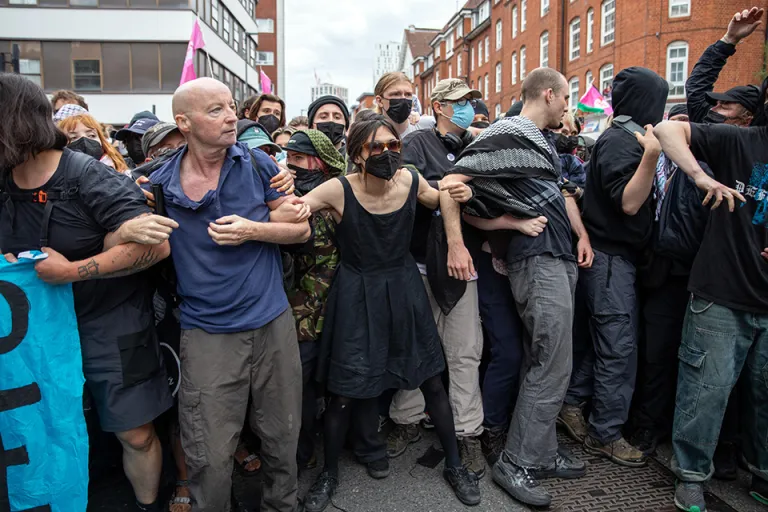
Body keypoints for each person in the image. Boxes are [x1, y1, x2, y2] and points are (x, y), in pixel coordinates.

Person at [281, 116, 481, 511]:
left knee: (432, 382)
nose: (388, 154)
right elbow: (296, 210)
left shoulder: (408, 179)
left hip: (404, 288)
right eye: (377, 147)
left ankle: (455, 465)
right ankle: (329, 474)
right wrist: (282, 190)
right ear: (357, 153)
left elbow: (440, 196)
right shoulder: (338, 189)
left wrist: (456, 210)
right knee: (343, 393)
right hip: (356, 294)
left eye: (393, 146)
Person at [0, 74, 176, 512]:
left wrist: (74, 270)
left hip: (112, 324)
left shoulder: (89, 177)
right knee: (44, 427)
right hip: (36, 336)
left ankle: (147, 505)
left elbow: (156, 246)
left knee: (134, 432)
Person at [145, 77, 309, 512]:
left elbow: (301, 228)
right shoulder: (157, 185)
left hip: (272, 322)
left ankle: (283, 506)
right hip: (207, 333)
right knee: (209, 455)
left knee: (281, 436)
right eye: (215, 109)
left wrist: (252, 230)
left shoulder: (260, 166)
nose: (231, 116)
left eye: (232, 106)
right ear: (184, 122)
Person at [439, 68, 592, 508]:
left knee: (551, 358)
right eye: (566, 97)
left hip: (555, 256)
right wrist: (468, 238)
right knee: (550, 357)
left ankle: (539, 453)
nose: (568, 106)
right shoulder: (510, 131)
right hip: (537, 260)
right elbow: (453, 187)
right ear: (549, 94)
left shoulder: (537, 139)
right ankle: (516, 463)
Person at [655, 86, 767, 512]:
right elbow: (668, 129)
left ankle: (762, 472)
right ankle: (690, 476)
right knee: (706, 391)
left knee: (764, 395)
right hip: (720, 294)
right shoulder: (741, 139)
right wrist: (700, 176)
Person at [558, 67, 669, 469]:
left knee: (600, 342)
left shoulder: (619, 136)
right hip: (609, 262)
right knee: (617, 349)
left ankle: (572, 405)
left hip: (609, 260)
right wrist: (652, 155)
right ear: (648, 101)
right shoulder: (626, 141)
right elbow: (628, 202)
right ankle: (606, 434)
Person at [387, 78, 487, 477]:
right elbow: (405, 196)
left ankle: (468, 432)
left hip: (465, 266)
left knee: (465, 350)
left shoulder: (476, 146)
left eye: (469, 101)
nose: (466, 107)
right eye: (458, 102)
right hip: (421, 263)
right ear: (438, 105)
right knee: (415, 345)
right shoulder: (415, 144)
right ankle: (406, 418)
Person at [628, 102, 709, 459]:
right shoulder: (646, 162)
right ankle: (645, 422)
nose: (679, 131)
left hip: (684, 275)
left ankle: (660, 424)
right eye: (673, 123)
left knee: (675, 354)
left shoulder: (702, 171)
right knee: (650, 351)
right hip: (647, 270)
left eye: (686, 126)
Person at [276, 129, 346, 471]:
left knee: (340, 379)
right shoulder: (284, 199)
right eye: (287, 159)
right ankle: (303, 452)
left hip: (340, 303)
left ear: (318, 162)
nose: (291, 166)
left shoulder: (342, 193)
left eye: (299, 159)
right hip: (300, 309)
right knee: (298, 385)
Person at [686, 7, 764, 125]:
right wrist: (729, 39)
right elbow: (696, 87)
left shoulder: (757, 141)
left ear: (747, 119)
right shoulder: (705, 124)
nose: (713, 109)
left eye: (725, 107)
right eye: (717, 103)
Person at [57, 113, 130, 174]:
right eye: (73, 137)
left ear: (101, 140)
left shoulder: (121, 173)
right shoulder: (53, 181)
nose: (84, 140)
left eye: (91, 135)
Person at [373, 72, 418, 137]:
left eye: (408, 94)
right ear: (380, 101)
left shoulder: (426, 127)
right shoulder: (370, 135)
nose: (403, 98)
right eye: (396, 94)